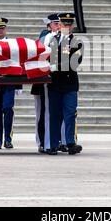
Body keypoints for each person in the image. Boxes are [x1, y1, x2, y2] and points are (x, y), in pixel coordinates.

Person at [46, 13, 83, 155]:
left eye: (69, 24)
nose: (67, 26)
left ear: (72, 26)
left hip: (69, 84)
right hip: (54, 84)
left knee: (70, 114)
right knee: (55, 115)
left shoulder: (77, 42)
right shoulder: (52, 40)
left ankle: (70, 142)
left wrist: (57, 67)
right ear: (59, 25)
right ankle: (54, 144)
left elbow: (75, 62)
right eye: (64, 24)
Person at [0, 17, 22, 150]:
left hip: (9, 82)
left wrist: (18, 85)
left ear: (6, 29)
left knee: (8, 109)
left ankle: (8, 138)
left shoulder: (12, 44)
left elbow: (18, 62)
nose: (0, 30)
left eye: (2, 28)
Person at [32, 14, 60, 153]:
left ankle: (56, 141)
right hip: (43, 82)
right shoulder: (45, 35)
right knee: (43, 113)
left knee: (54, 112)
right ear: (49, 25)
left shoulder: (63, 37)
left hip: (58, 82)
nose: (58, 26)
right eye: (55, 23)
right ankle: (43, 142)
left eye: (59, 23)